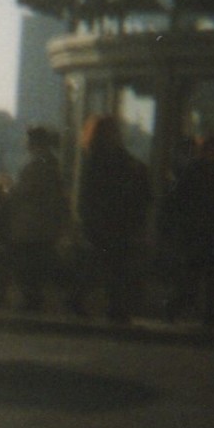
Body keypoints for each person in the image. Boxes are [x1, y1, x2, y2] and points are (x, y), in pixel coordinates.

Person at [72, 113, 151, 323]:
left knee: (107, 265)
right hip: (112, 222)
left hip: (108, 222)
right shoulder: (113, 158)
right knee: (115, 266)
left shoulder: (97, 157)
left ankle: (83, 299)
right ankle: (113, 308)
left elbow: (87, 195)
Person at [161, 134, 214, 327]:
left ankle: (201, 312)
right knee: (198, 277)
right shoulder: (202, 171)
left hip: (206, 231)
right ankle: (182, 308)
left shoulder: (205, 171)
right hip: (201, 232)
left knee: (207, 276)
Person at [7, 125, 67, 313]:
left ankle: (30, 304)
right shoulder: (52, 165)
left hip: (30, 229)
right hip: (44, 229)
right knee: (38, 269)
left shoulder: (35, 167)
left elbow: (22, 194)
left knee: (28, 270)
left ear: (34, 143)